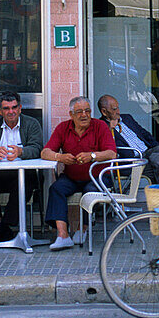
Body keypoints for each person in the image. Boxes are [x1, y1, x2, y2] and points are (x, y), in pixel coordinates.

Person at [41, 96, 116, 250]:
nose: (84, 115)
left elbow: (111, 153)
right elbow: (45, 152)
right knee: (56, 189)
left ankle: (83, 228)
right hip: (72, 177)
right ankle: (63, 236)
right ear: (71, 115)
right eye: (79, 112)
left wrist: (92, 156)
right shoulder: (63, 128)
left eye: (87, 111)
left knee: (90, 192)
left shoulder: (100, 126)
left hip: (98, 177)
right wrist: (60, 157)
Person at [0, 91, 44, 243]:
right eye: (6, 108)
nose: (11, 112)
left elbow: (38, 148)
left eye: (14, 107)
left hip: (24, 173)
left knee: (23, 185)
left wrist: (22, 151)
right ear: (0, 111)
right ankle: (2, 226)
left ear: (20, 108)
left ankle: (3, 227)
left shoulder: (32, 124)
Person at [97, 94, 159, 182]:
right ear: (104, 112)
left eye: (118, 108)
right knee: (157, 167)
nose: (118, 112)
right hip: (132, 161)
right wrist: (109, 129)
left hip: (148, 153)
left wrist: (154, 146)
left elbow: (144, 133)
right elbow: (103, 145)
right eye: (114, 109)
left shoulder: (127, 118)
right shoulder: (100, 126)